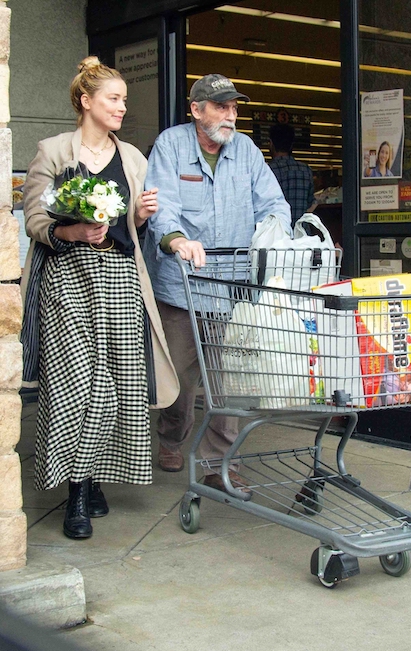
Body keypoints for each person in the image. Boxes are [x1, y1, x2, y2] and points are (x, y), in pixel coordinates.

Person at [21, 56, 179, 540]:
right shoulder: (52, 150)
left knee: (118, 386)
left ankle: (88, 475)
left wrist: (142, 213)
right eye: (114, 99)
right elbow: (34, 219)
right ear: (86, 101)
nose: (122, 108)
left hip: (119, 279)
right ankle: (76, 496)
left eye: (125, 100)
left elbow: (129, 228)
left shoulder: (132, 156)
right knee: (75, 387)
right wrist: (73, 228)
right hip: (67, 280)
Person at [143, 73, 291, 491]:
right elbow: (162, 204)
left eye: (234, 108)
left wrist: (276, 232)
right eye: (222, 107)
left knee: (229, 379)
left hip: (232, 286)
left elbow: (273, 201)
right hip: (181, 283)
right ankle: (172, 435)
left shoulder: (245, 150)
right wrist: (176, 240)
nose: (231, 115)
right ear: (196, 110)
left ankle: (218, 461)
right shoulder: (171, 145)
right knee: (181, 380)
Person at [268, 122, 317, 227]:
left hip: (277, 235)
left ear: (271, 143)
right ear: (291, 146)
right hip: (302, 234)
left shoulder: (267, 171)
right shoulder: (306, 170)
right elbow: (311, 203)